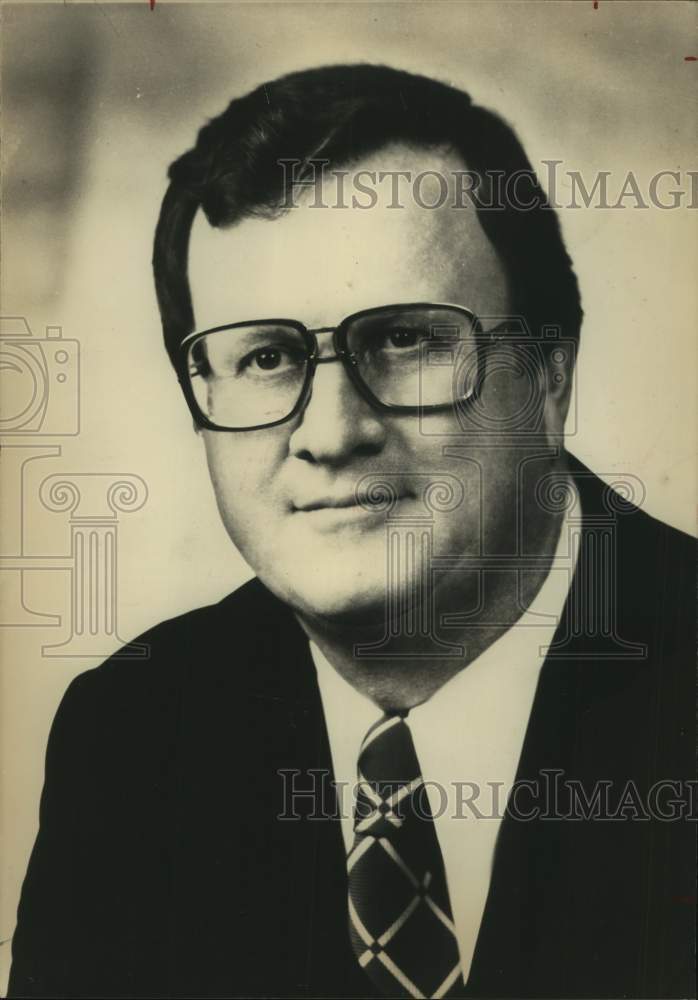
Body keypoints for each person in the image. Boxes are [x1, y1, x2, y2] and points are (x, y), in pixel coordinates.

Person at [9, 64, 695, 999]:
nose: (331, 433)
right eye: (265, 356)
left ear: (548, 379)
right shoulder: (133, 737)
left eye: (406, 339)